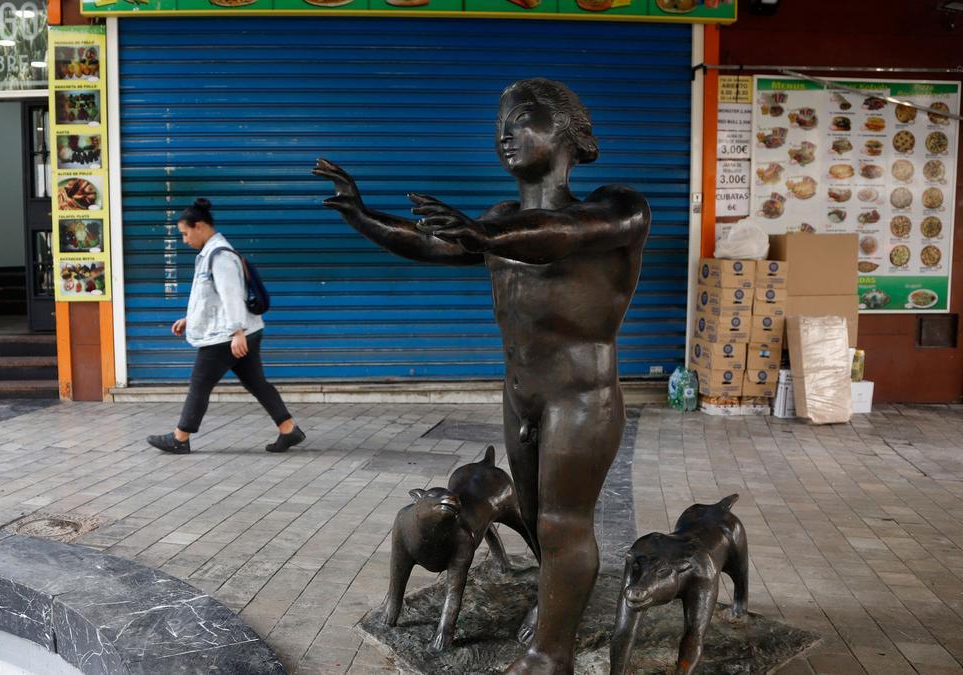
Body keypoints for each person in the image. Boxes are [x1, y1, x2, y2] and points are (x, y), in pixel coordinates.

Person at [314, 78, 650, 674]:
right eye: (500, 122)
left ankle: (553, 655)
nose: (505, 132)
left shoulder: (619, 206)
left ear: (570, 131)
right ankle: (552, 611)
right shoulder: (497, 219)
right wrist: (363, 215)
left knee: (562, 521)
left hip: (582, 398)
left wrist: (482, 234)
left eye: (524, 118)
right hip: (520, 398)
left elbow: (562, 236)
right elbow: (426, 242)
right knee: (538, 521)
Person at [147, 198, 306, 455]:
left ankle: (180, 437)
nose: (185, 239)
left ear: (199, 226)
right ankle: (288, 430)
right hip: (240, 331)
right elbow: (211, 297)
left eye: (186, 233)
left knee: (200, 382)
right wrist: (190, 319)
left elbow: (231, 295)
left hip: (227, 335)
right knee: (256, 383)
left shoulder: (219, 256)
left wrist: (236, 332)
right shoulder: (211, 253)